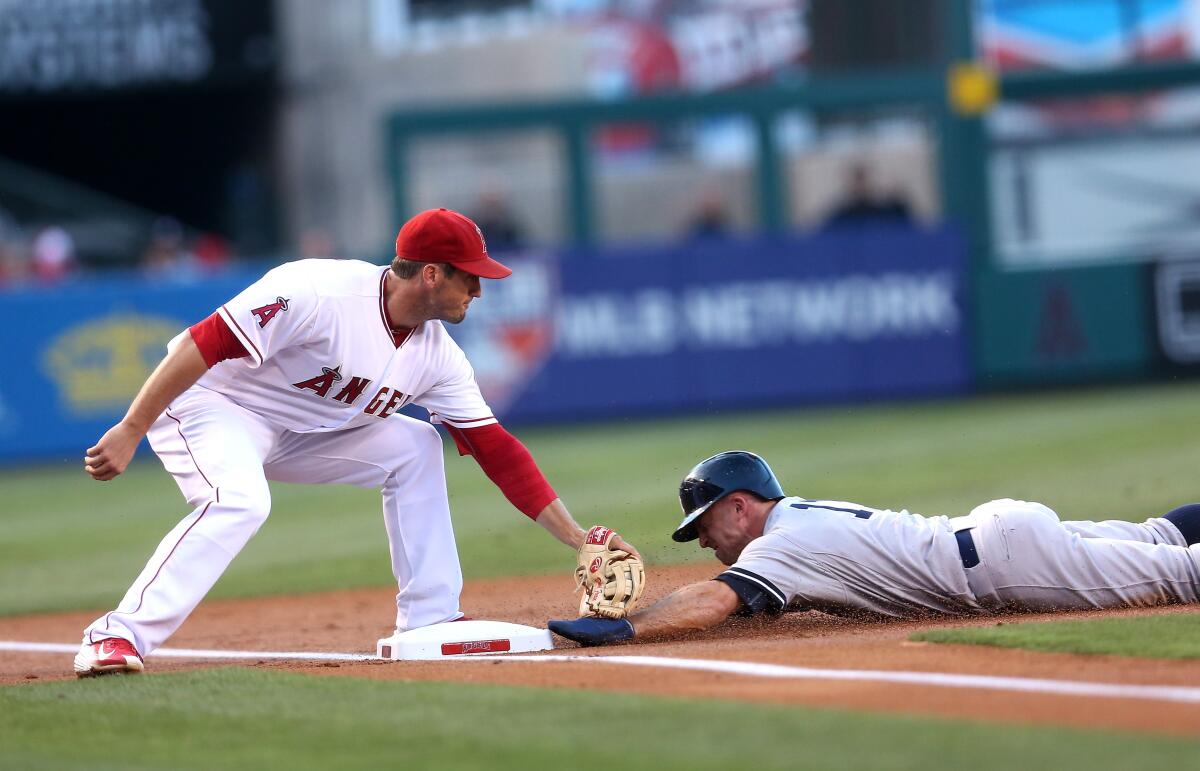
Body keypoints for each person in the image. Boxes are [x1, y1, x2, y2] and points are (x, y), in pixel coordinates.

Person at [75, 207, 639, 676]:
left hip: (303, 430)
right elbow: (202, 344)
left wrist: (578, 537)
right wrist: (131, 427)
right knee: (239, 501)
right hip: (210, 404)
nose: (479, 289)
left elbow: (497, 449)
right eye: (470, 276)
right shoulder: (317, 292)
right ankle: (115, 636)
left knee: (416, 447)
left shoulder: (438, 357)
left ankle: (430, 614)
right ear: (432, 274)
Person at [548, 451, 1200, 646]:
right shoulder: (798, 522)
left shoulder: (784, 545)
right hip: (998, 529)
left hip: (1010, 565)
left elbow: (718, 601)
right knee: (1163, 535)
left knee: (1183, 574)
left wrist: (631, 626)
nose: (706, 542)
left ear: (740, 507)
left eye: (706, 526)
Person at [821, 163, 913, 228]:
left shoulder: (885, 209)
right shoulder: (842, 214)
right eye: (857, 180)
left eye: (864, 179)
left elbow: (905, 221)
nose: (861, 185)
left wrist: (898, 196)